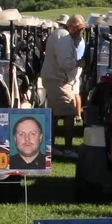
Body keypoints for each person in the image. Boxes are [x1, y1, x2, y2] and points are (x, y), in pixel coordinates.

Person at [41, 16, 85, 153]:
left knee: (54, 113)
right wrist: (78, 63)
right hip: (58, 79)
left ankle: (52, 146)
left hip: (55, 78)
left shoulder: (60, 35)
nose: (80, 33)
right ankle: (67, 148)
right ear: (71, 26)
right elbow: (65, 63)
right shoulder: (64, 37)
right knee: (69, 112)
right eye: (79, 29)